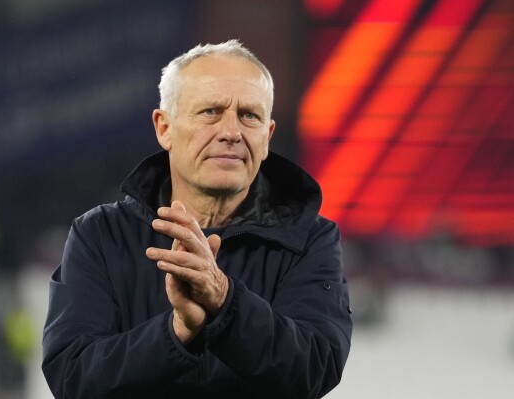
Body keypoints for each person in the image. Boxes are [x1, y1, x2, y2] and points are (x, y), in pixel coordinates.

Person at [42, 39, 352, 398]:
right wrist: (175, 333)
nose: (232, 132)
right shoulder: (99, 235)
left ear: (266, 138)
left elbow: (314, 370)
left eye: (249, 115)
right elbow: (73, 378)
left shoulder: (310, 239)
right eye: (210, 112)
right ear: (164, 128)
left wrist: (224, 300)